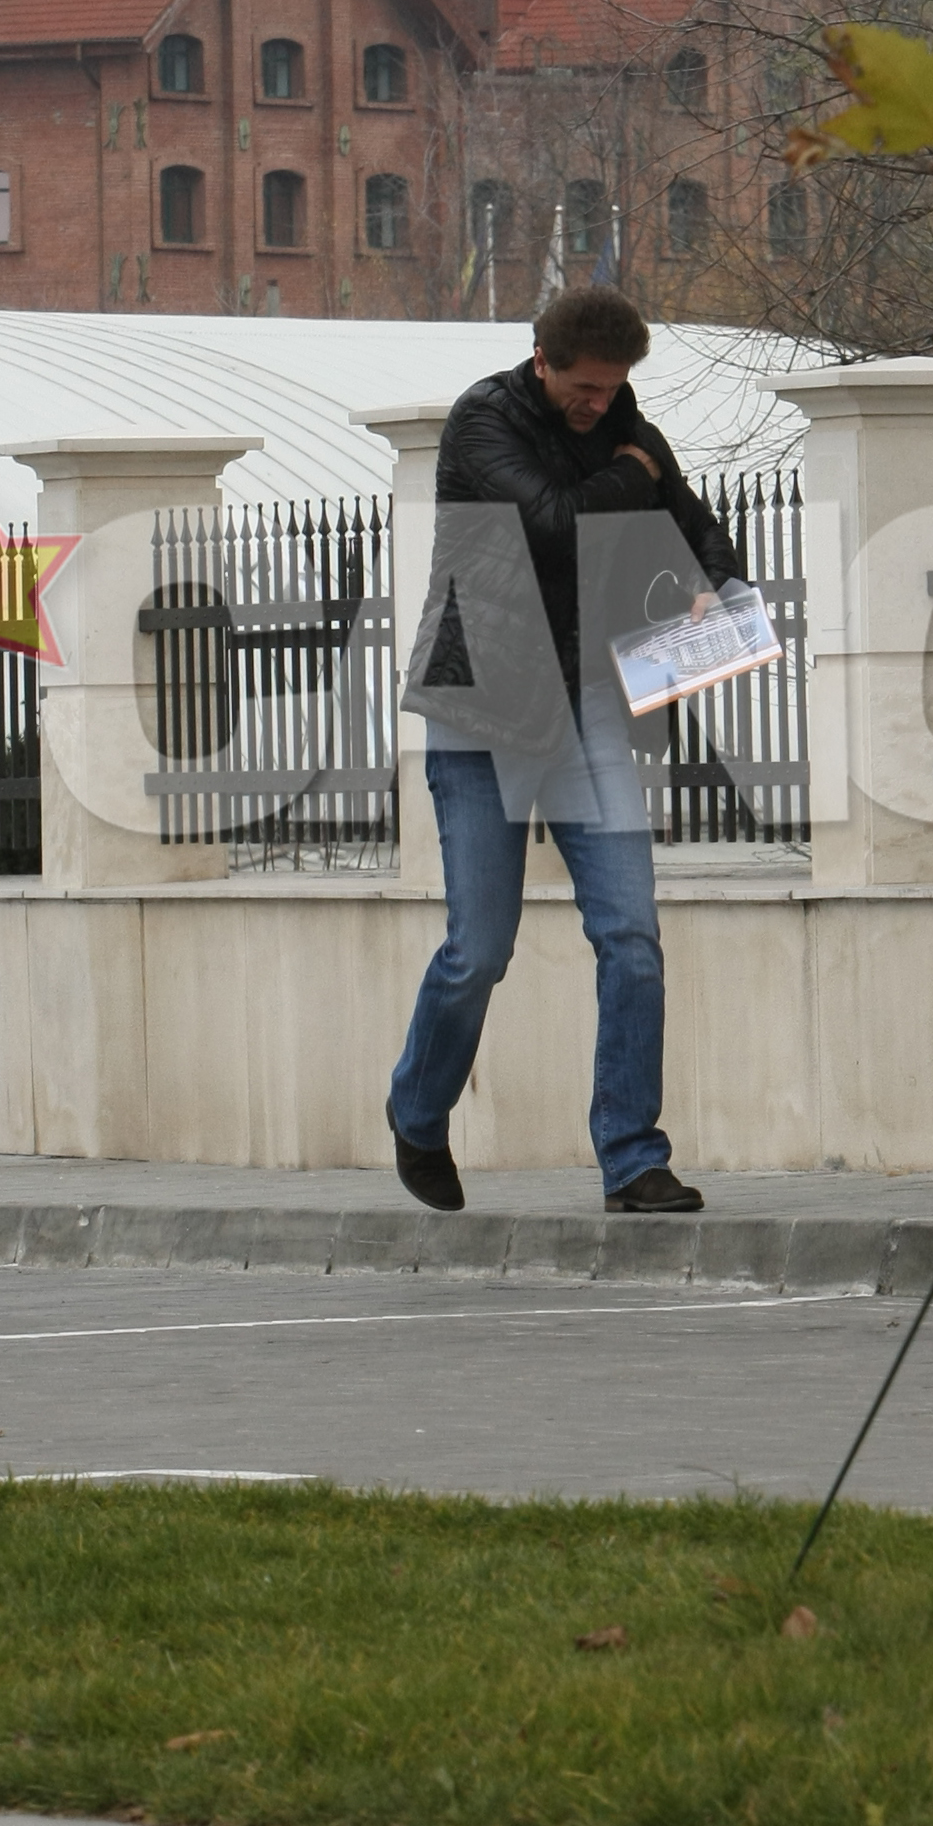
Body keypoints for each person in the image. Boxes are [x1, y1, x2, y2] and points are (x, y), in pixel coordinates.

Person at [387, 289, 742, 1215]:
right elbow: (551, 519)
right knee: (481, 950)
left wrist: (715, 583)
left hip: (586, 703)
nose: (599, 402)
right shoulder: (482, 422)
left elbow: (696, 523)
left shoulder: (628, 429)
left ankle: (632, 1157)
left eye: (614, 387)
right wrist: (631, 473)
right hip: (480, 706)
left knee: (631, 936)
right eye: (585, 387)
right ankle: (417, 1112)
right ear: (540, 359)